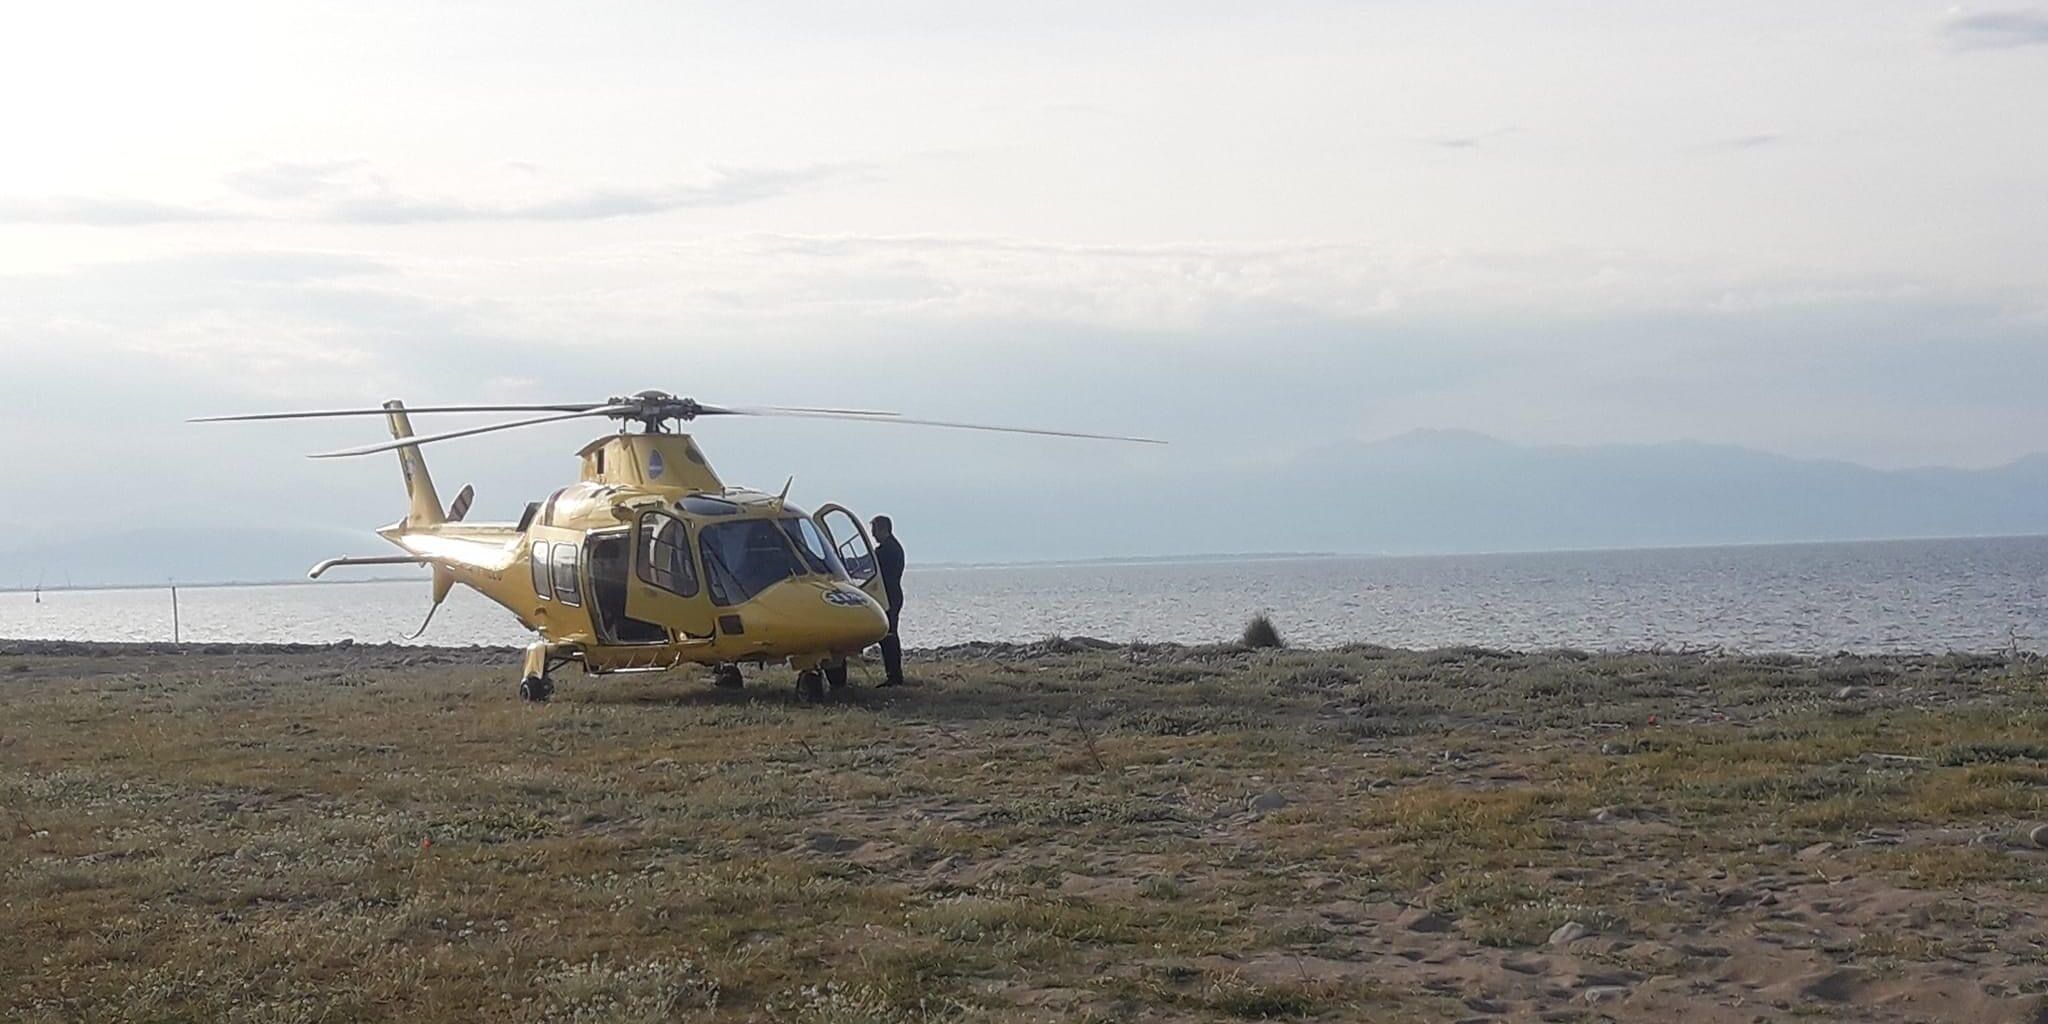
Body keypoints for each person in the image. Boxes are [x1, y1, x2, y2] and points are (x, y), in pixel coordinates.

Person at [871, 514, 906, 686]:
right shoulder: (893, 547)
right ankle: (893, 674)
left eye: (874, 530)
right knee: (889, 635)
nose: (872, 534)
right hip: (892, 595)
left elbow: (870, 566)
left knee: (889, 636)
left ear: (882, 529)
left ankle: (894, 676)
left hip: (889, 596)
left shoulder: (886, 550)